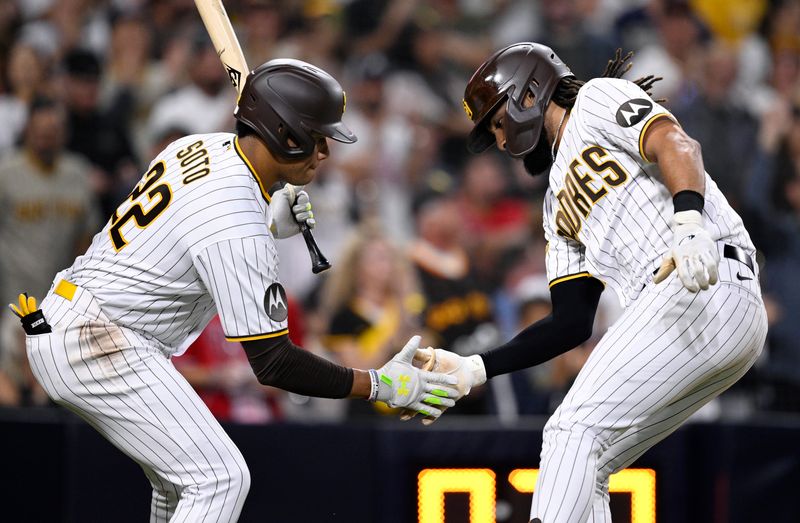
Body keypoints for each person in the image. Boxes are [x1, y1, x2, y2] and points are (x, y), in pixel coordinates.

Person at [8, 59, 457, 522]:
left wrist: (265, 210)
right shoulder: (236, 222)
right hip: (97, 338)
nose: (325, 151)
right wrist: (375, 384)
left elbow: (204, 219)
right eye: (318, 136)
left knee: (177, 487)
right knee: (220, 478)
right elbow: (273, 362)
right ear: (285, 135)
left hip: (83, 320)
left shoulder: (202, 144)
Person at [416, 43, 768, 522]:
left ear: (527, 93)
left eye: (497, 122)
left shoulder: (597, 99)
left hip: (703, 279)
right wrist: (478, 367)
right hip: (691, 313)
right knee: (590, 461)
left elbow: (677, 144)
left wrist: (688, 223)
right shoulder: (554, 205)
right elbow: (570, 322)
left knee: (570, 430)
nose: (499, 140)